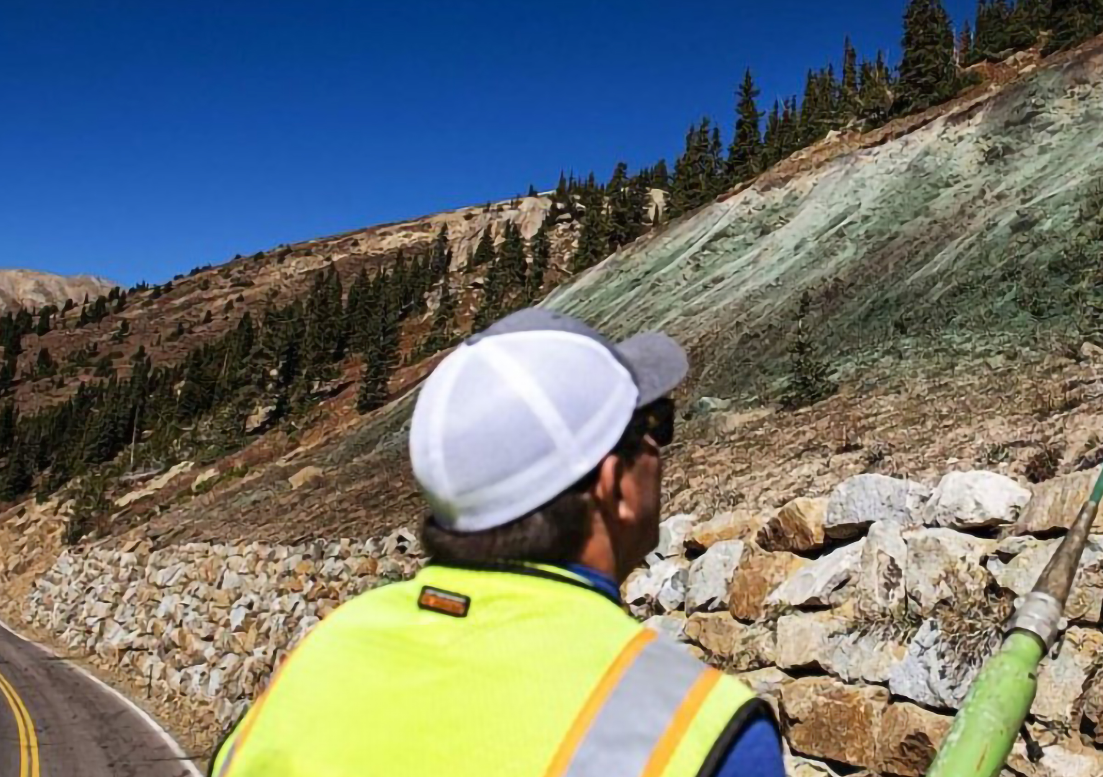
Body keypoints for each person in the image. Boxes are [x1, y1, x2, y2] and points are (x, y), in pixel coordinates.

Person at [210, 308, 785, 777]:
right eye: (656, 427)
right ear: (615, 487)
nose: (661, 452)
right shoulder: (703, 733)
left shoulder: (322, 655)